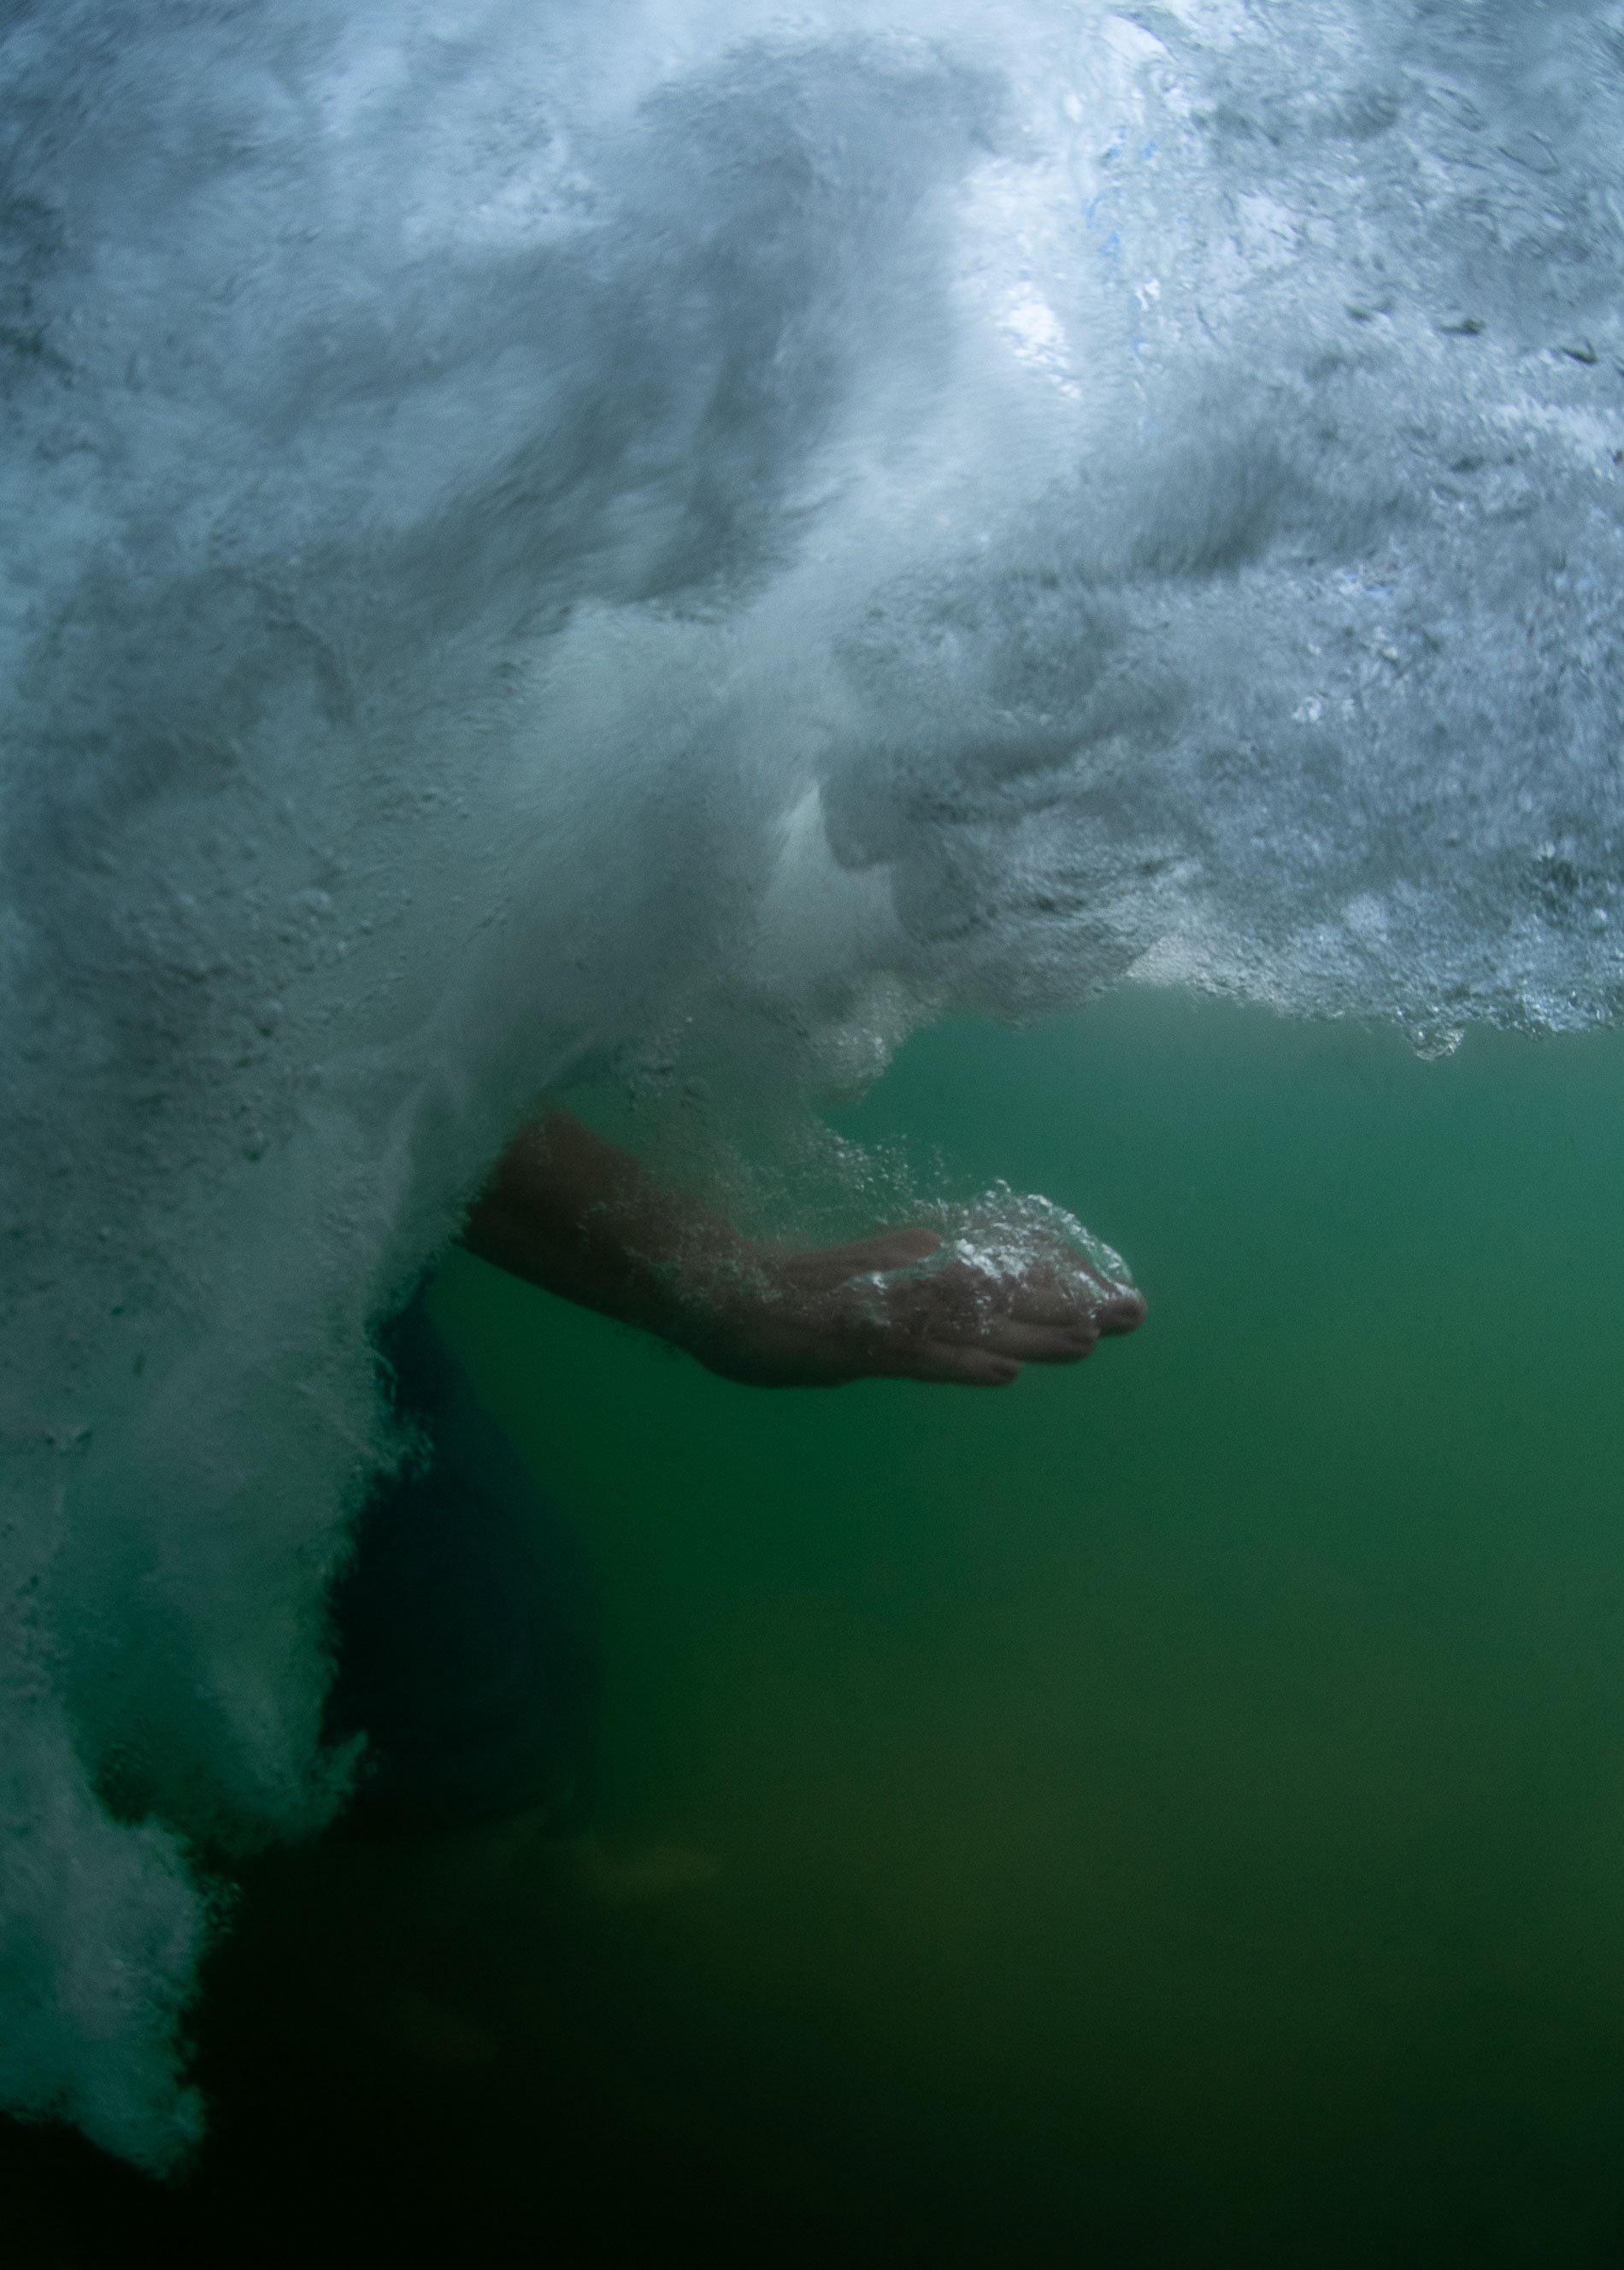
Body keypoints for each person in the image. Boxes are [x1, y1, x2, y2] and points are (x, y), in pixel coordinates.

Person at [327, 1106, 1144, 1865]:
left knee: (542, 1601)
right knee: (476, 1684)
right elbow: (368, 1080)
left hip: (353, 1280)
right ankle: (373, 1967)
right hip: (266, 1323)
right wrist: (723, 1288)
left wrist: (725, 1289)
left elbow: (412, 1089)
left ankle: (540, 1854)